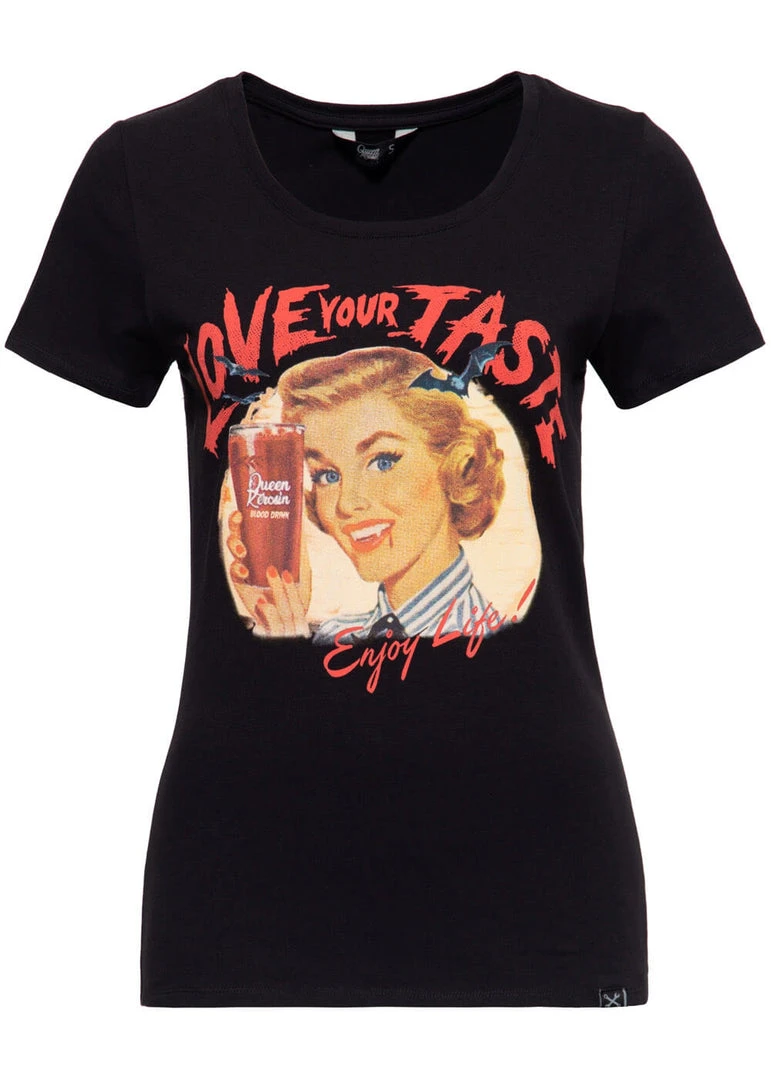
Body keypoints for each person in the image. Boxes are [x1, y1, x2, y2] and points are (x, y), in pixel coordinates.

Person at [224, 345, 510, 644]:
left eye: (383, 462)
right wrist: (277, 616)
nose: (347, 504)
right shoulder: (332, 635)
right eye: (327, 475)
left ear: (457, 464)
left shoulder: (494, 640)